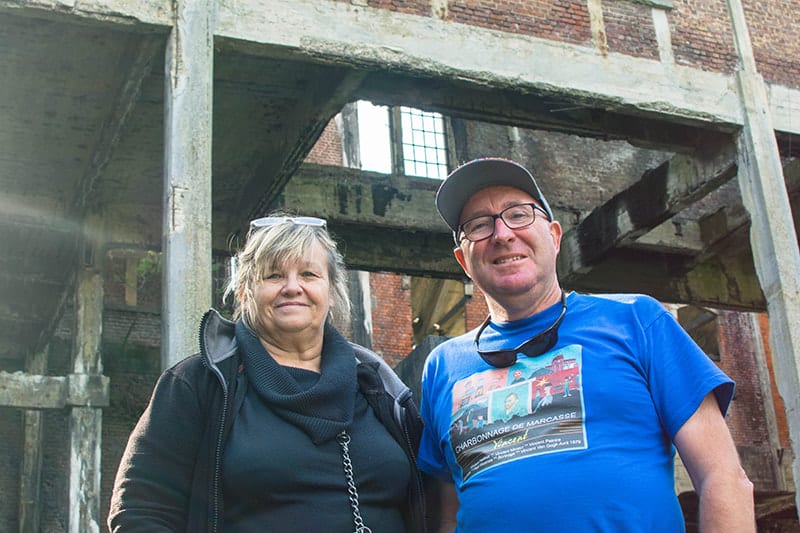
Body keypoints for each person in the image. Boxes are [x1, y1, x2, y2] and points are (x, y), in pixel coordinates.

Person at [417, 158, 754, 532]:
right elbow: (445, 514)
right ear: (464, 260)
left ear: (555, 237)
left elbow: (722, 477)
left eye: (518, 214)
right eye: (479, 225)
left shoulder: (637, 321)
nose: (501, 234)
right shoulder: (442, 367)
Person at [108, 214, 427, 532]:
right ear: (246, 291)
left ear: (331, 291)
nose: (292, 287)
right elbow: (140, 511)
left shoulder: (380, 387)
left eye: (309, 274)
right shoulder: (198, 383)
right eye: (273, 275)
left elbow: (434, 496)